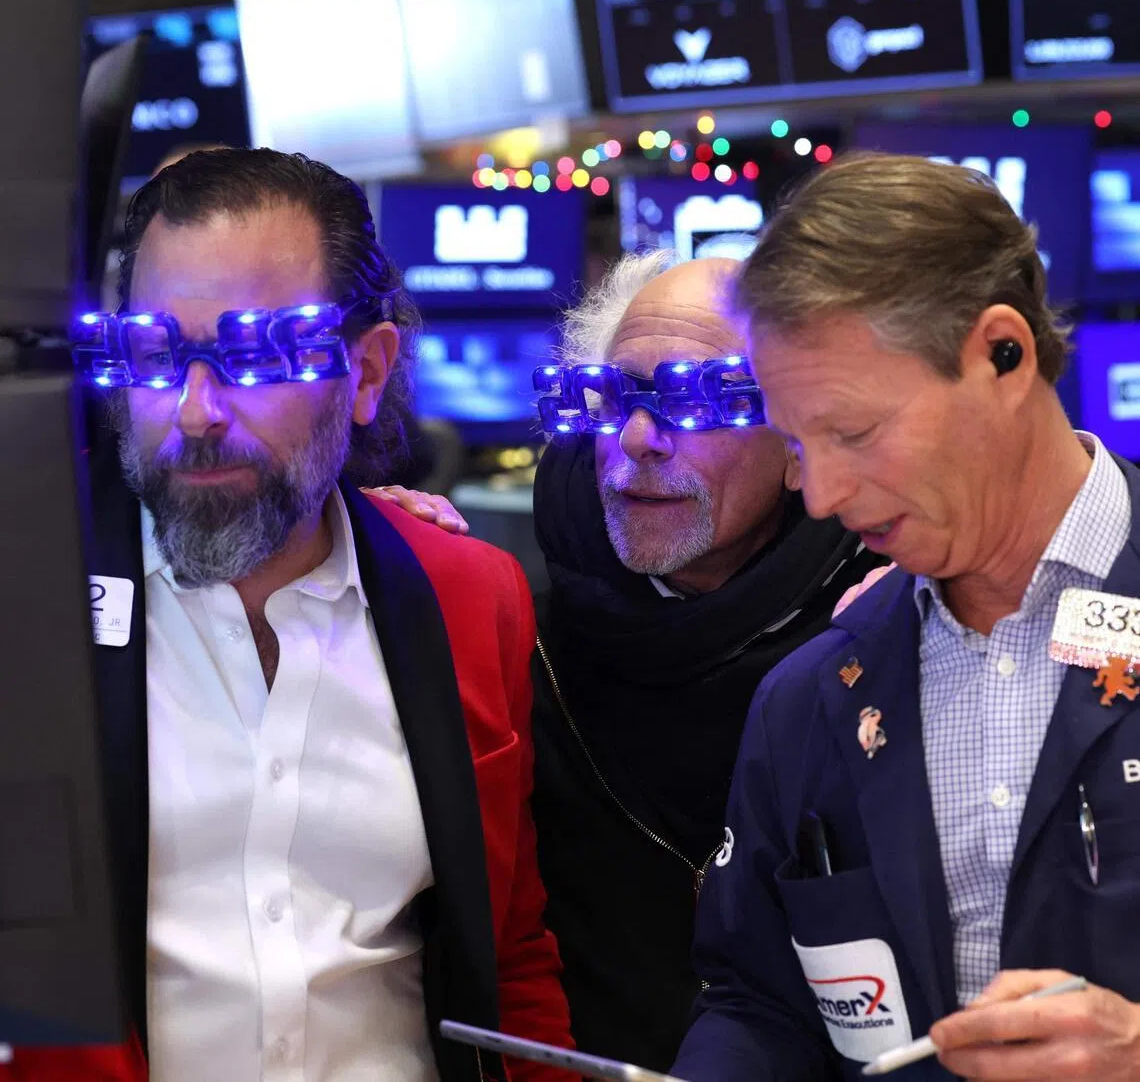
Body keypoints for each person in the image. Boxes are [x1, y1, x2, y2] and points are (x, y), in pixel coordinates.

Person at [19, 148, 576, 1082]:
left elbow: (508, 949)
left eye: (254, 353)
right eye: (156, 354)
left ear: (364, 372)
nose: (195, 410)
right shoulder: (27, 591)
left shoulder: (468, 595)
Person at [672, 151, 1140, 1082]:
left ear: (1002, 354)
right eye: (798, 445)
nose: (823, 495)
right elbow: (758, 1003)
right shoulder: (809, 697)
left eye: (853, 432)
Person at [523, 250, 884, 1071]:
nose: (640, 439)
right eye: (616, 398)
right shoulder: (520, 643)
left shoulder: (882, 630)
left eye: (695, 399)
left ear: (802, 440)